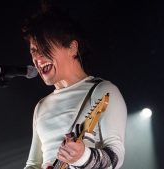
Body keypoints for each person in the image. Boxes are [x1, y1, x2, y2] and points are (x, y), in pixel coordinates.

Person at [22, 2, 127, 169]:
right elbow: (33, 164)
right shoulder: (41, 106)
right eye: (34, 51)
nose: (38, 59)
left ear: (72, 47)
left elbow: (116, 157)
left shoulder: (103, 91)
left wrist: (83, 157)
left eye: (44, 48)